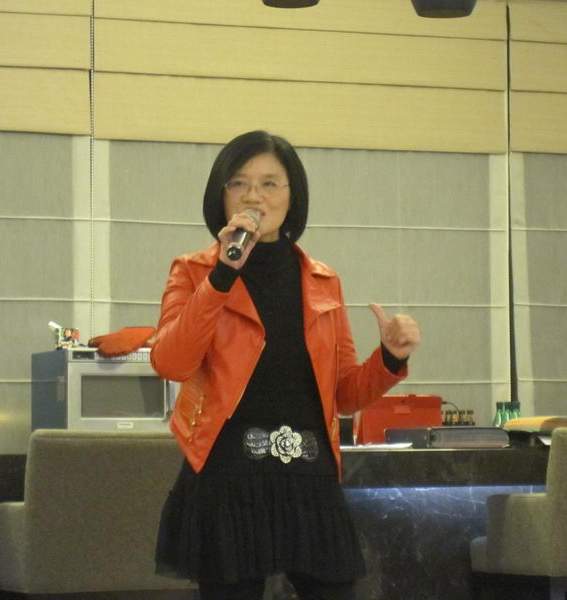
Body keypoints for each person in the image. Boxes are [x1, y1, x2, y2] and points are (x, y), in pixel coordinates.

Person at [151, 130, 421, 600]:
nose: (254, 196)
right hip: (227, 473)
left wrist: (389, 358)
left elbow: (344, 395)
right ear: (222, 196)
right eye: (239, 183)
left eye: (270, 183)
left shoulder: (322, 281)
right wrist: (222, 275)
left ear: (292, 196)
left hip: (308, 473)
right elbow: (171, 361)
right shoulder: (194, 271)